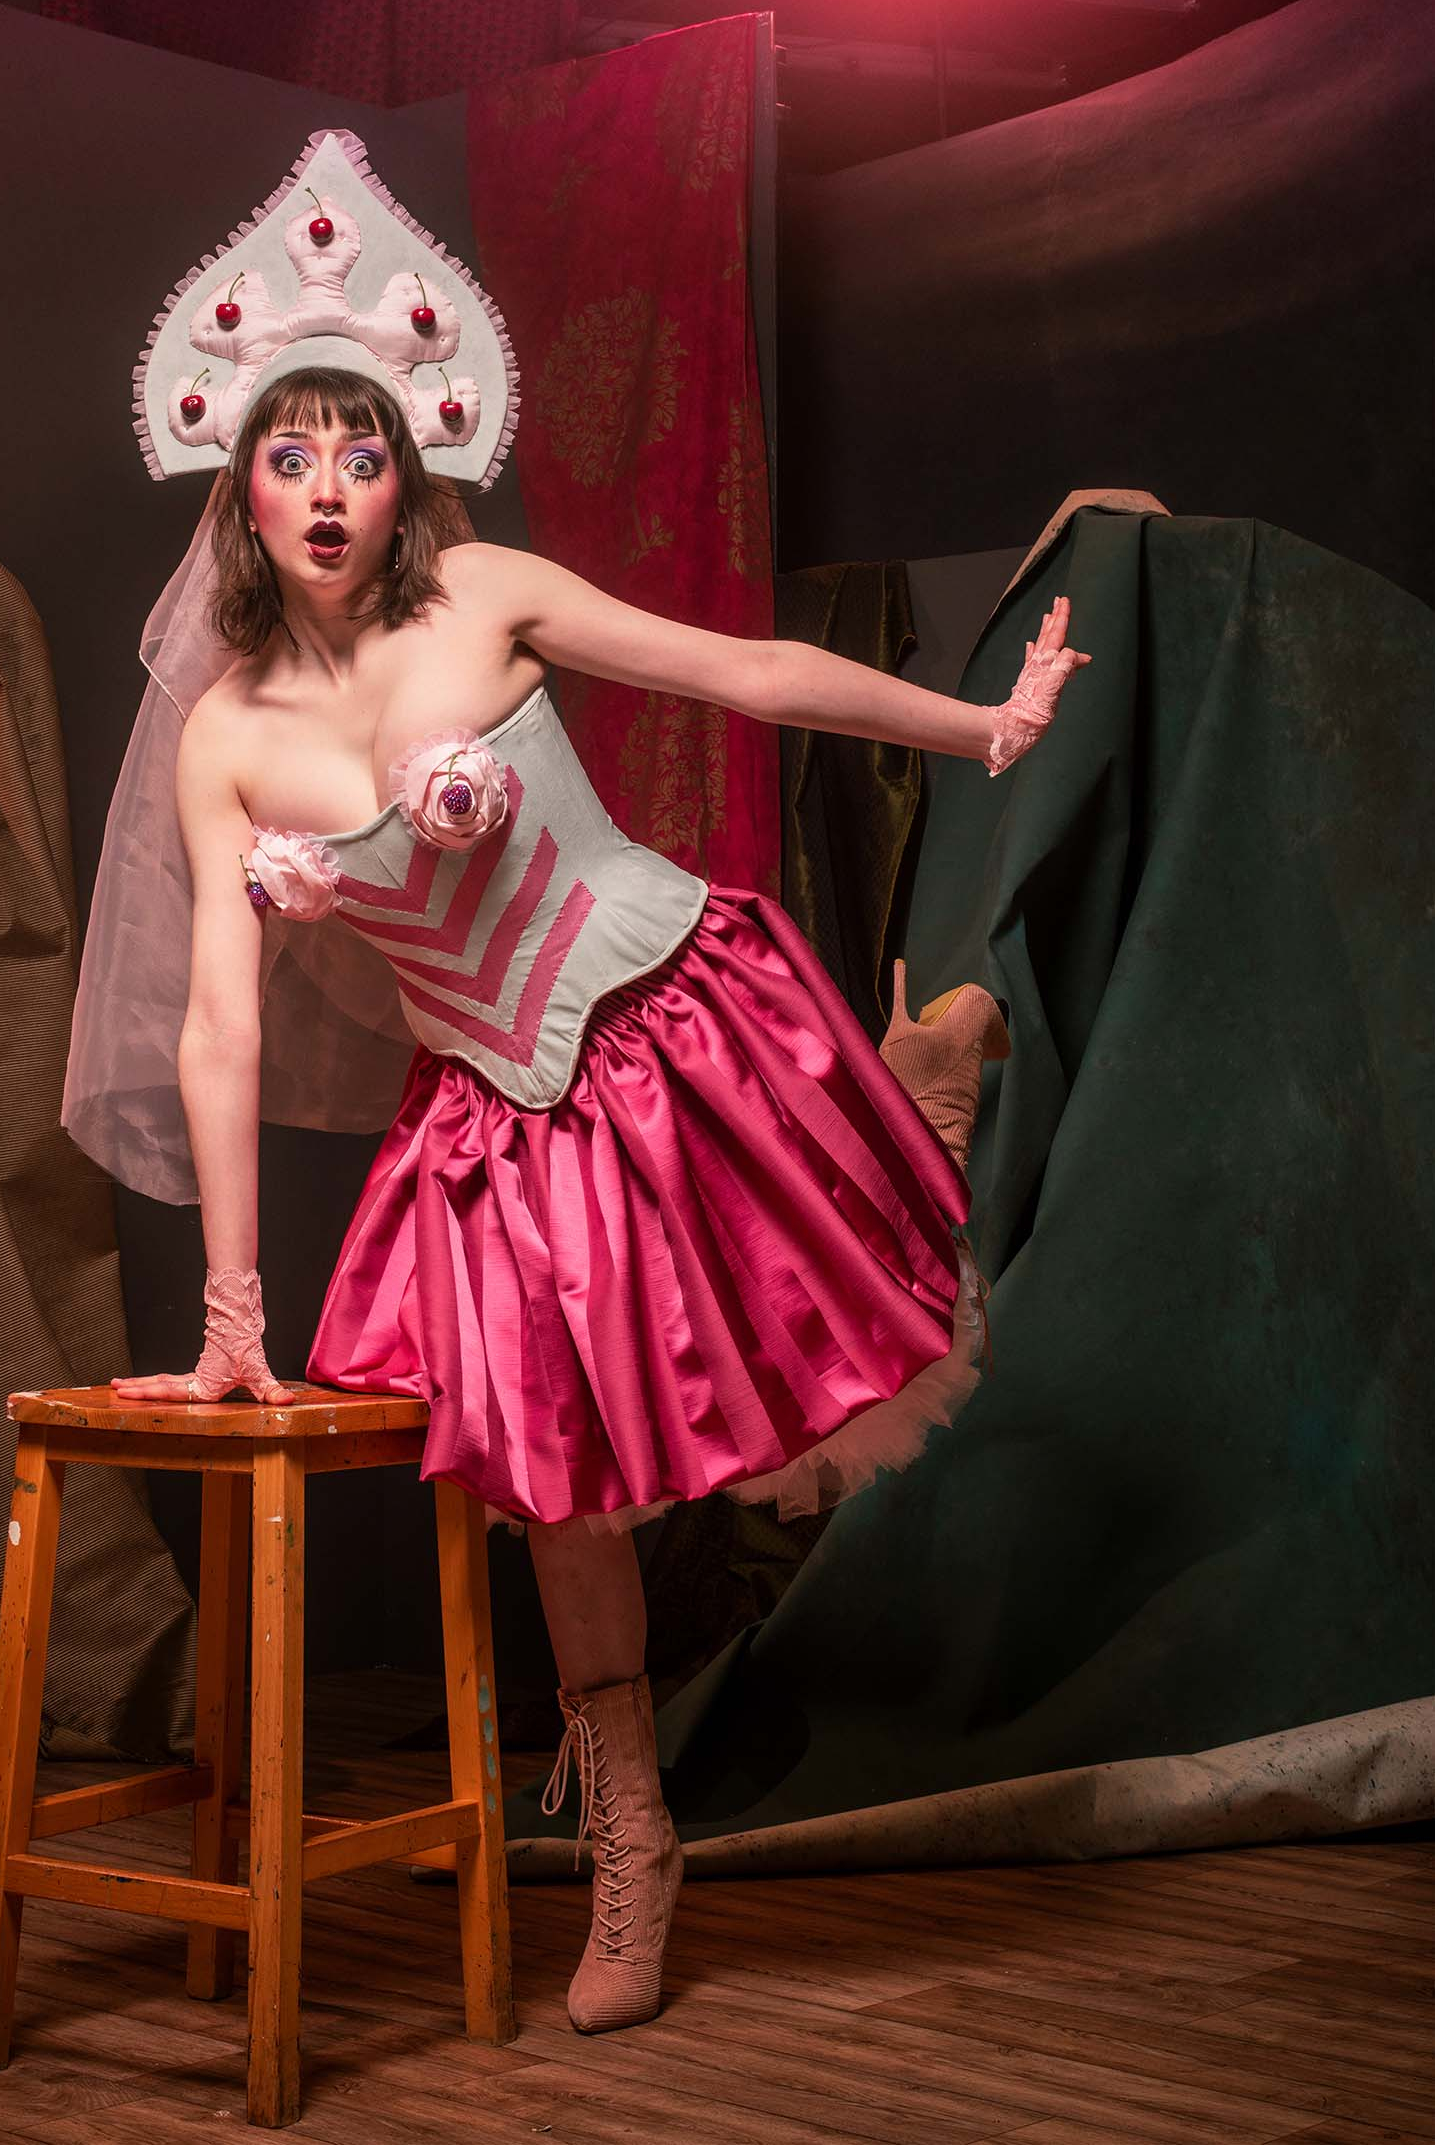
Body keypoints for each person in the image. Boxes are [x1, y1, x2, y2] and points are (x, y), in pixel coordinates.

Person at [67, 131, 1089, 2039]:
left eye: (361, 451)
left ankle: (909, 1099)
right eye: (290, 454)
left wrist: (988, 727)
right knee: (563, 1487)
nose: (329, 488)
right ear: (239, 486)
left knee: (806, 1321)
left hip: (665, 1016)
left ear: (406, 473)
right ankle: (636, 1830)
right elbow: (216, 1027)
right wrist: (228, 1313)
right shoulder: (223, 739)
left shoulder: (492, 595)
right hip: (493, 1109)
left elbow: (752, 670)